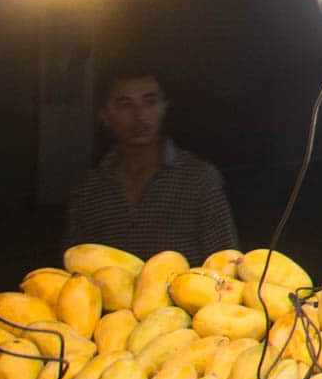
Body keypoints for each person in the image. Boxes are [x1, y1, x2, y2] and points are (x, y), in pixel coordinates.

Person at [63, 65, 239, 264]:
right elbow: (74, 261)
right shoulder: (90, 189)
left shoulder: (198, 179)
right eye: (125, 105)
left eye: (150, 102)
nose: (140, 115)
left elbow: (227, 260)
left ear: (164, 107)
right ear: (104, 115)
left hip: (185, 292)